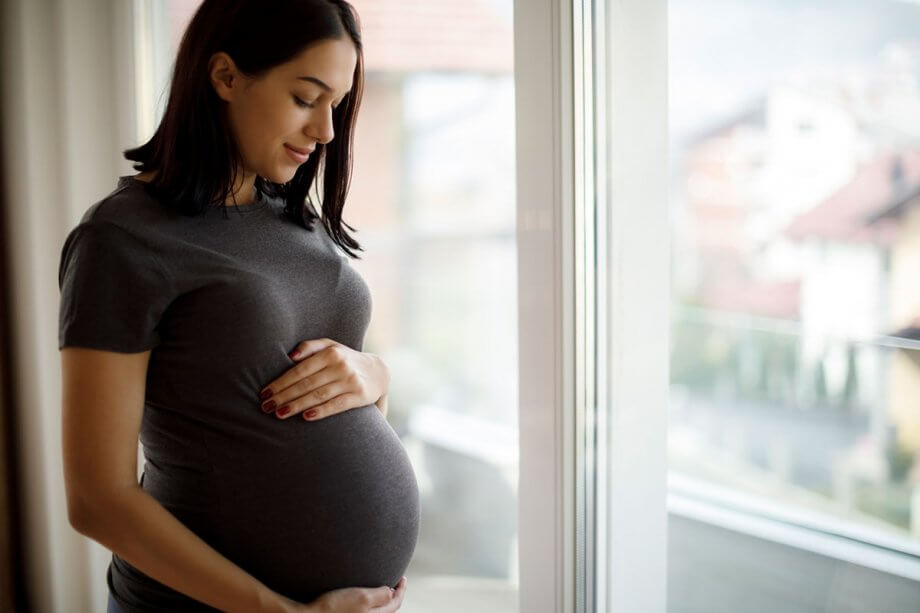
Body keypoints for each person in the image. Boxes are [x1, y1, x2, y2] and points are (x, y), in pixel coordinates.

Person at [57, 1, 420, 611]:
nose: (327, 130)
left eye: (338, 103)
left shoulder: (295, 220)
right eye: (307, 98)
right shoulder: (123, 240)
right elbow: (98, 499)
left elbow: (322, 386)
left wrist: (375, 375)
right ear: (225, 77)